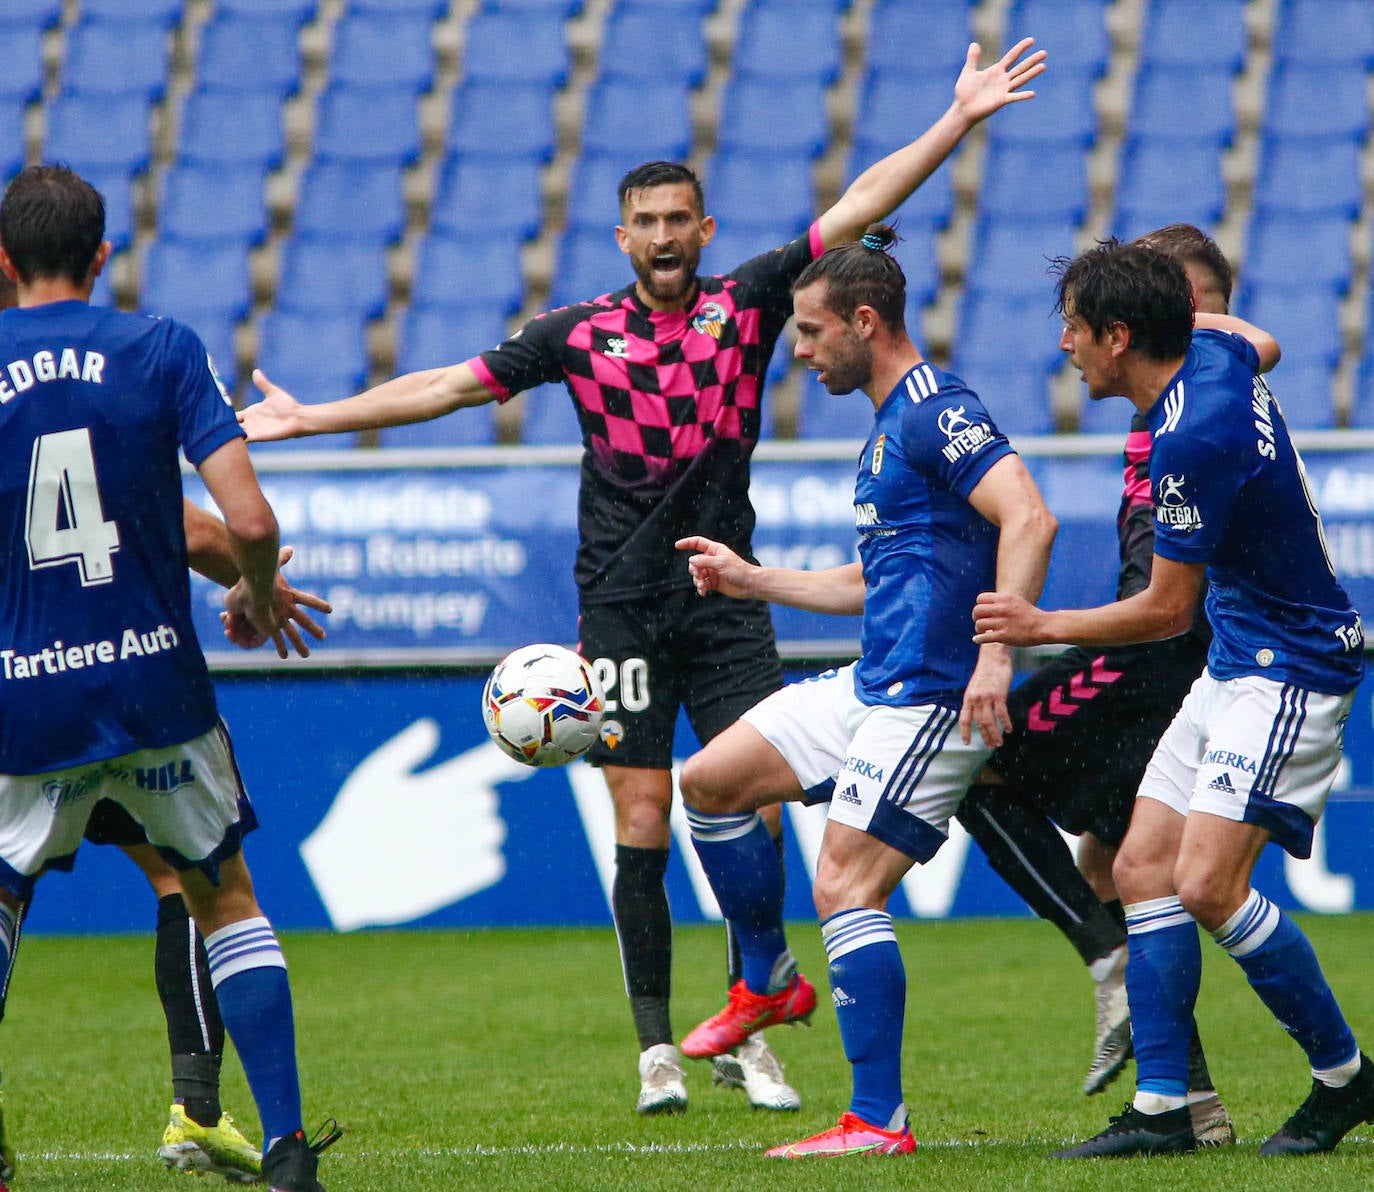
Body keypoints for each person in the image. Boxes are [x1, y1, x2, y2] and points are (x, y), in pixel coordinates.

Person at [238, 39, 1048, 1115]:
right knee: (644, 813)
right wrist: (311, 416)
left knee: (744, 801)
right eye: (647, 223)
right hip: (619, 600)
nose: (664, 237)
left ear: (703, 232)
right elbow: (444, 386)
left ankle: (754, 1018)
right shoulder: (577, 334)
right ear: (622, 238)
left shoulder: (754, 301)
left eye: (681, 220)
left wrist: (957, 122)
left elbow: (858, 205)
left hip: (724, 588)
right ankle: (657, 1047)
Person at [973, 238, 1371, 1158]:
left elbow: (1164, 610)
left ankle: (1345, 1078)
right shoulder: (1213, 354)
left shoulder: (1188, 440)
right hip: (1238, 661)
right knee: (1139, 868)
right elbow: (1256, 338)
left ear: (1120, 337)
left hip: (1289, 668)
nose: (1064, 345)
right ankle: (1164, 1109)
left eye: (1075, 328)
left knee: (1206, 885)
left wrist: (1036, 624)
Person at [673, 226, 1058, 1158]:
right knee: (710, 783)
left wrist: (995, 658)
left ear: (864, 320)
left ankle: (876, 1120)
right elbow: (872, 581)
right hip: (873, 681)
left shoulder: (933, 407)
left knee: (843, 883)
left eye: (808, 333)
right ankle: (765, 977)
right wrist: (751, 579)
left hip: (931, 694)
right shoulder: (891, 428)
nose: (797, 353)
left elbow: (1030, 516)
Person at [0, 164, 337, 1192]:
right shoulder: (161, 347)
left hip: (27, 692)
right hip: (157, 686)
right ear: (105, 257)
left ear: (3, 263)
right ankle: (282, 1148)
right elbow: (249, 522)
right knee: (223, 895)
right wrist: (262, 592)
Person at [954, 226, 1235, 1145]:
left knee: (975, 760)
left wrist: (1039, 629)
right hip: (1160, 646)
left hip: (1154, 648)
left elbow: (1256, 340)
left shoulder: (1213, 380)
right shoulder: (1164, 398)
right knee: (1116, 866)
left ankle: (1109, 965)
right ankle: (1188, 1102)